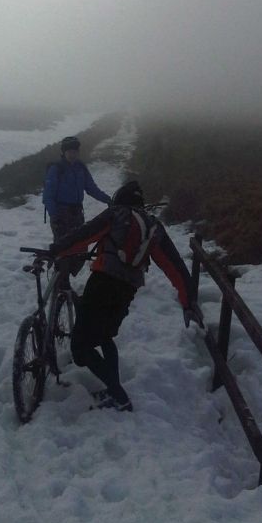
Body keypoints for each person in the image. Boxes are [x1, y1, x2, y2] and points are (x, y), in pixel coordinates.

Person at [48, 180, 203, 412]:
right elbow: (175, 267)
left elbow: (84, 235)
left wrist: (55, 250)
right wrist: (188, 301)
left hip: (102, 283)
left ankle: (119, 396)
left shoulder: (117, 214)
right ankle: (114, 392)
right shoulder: (153, 226)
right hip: (127, 289)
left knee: (80, 349)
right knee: (105, 336)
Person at [43, 135, 111, 285]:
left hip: (76, 213)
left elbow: (92, 188)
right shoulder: (56, 169)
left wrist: (110, 200)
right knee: (63, 248)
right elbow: (48, 196)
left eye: (75, 150)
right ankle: (61, 280)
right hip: (61, 213)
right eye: (69, 151)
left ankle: (65, 274)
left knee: (80, 246)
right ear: (63, 152)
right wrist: (55, 216)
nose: (72, 154)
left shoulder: (81, 168)